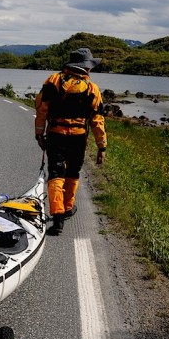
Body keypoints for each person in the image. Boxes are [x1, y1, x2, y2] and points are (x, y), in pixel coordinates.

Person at [35, 47, 107, 235]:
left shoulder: (53, 81)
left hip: (56, 134)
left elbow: (42, 110)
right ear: (86, 68)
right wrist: (102, 146)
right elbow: (97, 120)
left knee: (56, 174)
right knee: (73, 172)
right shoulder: (92, 89)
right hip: (78, 137)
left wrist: (39, 134)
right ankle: (68, 208)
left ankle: (57, 218)